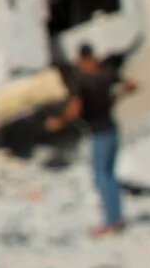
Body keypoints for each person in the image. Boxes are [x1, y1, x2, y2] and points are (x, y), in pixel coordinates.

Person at [46, 44, 136, 235]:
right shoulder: (107, 73)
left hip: (99, 133)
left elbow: (75, 108)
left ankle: (110, 222)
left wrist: (59, 122)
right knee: (110, 176)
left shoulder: (83, 81)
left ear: (83, 59)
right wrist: (114, 98)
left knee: (101, 177)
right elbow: (131, 85)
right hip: (112, 130)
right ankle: (117, 218)